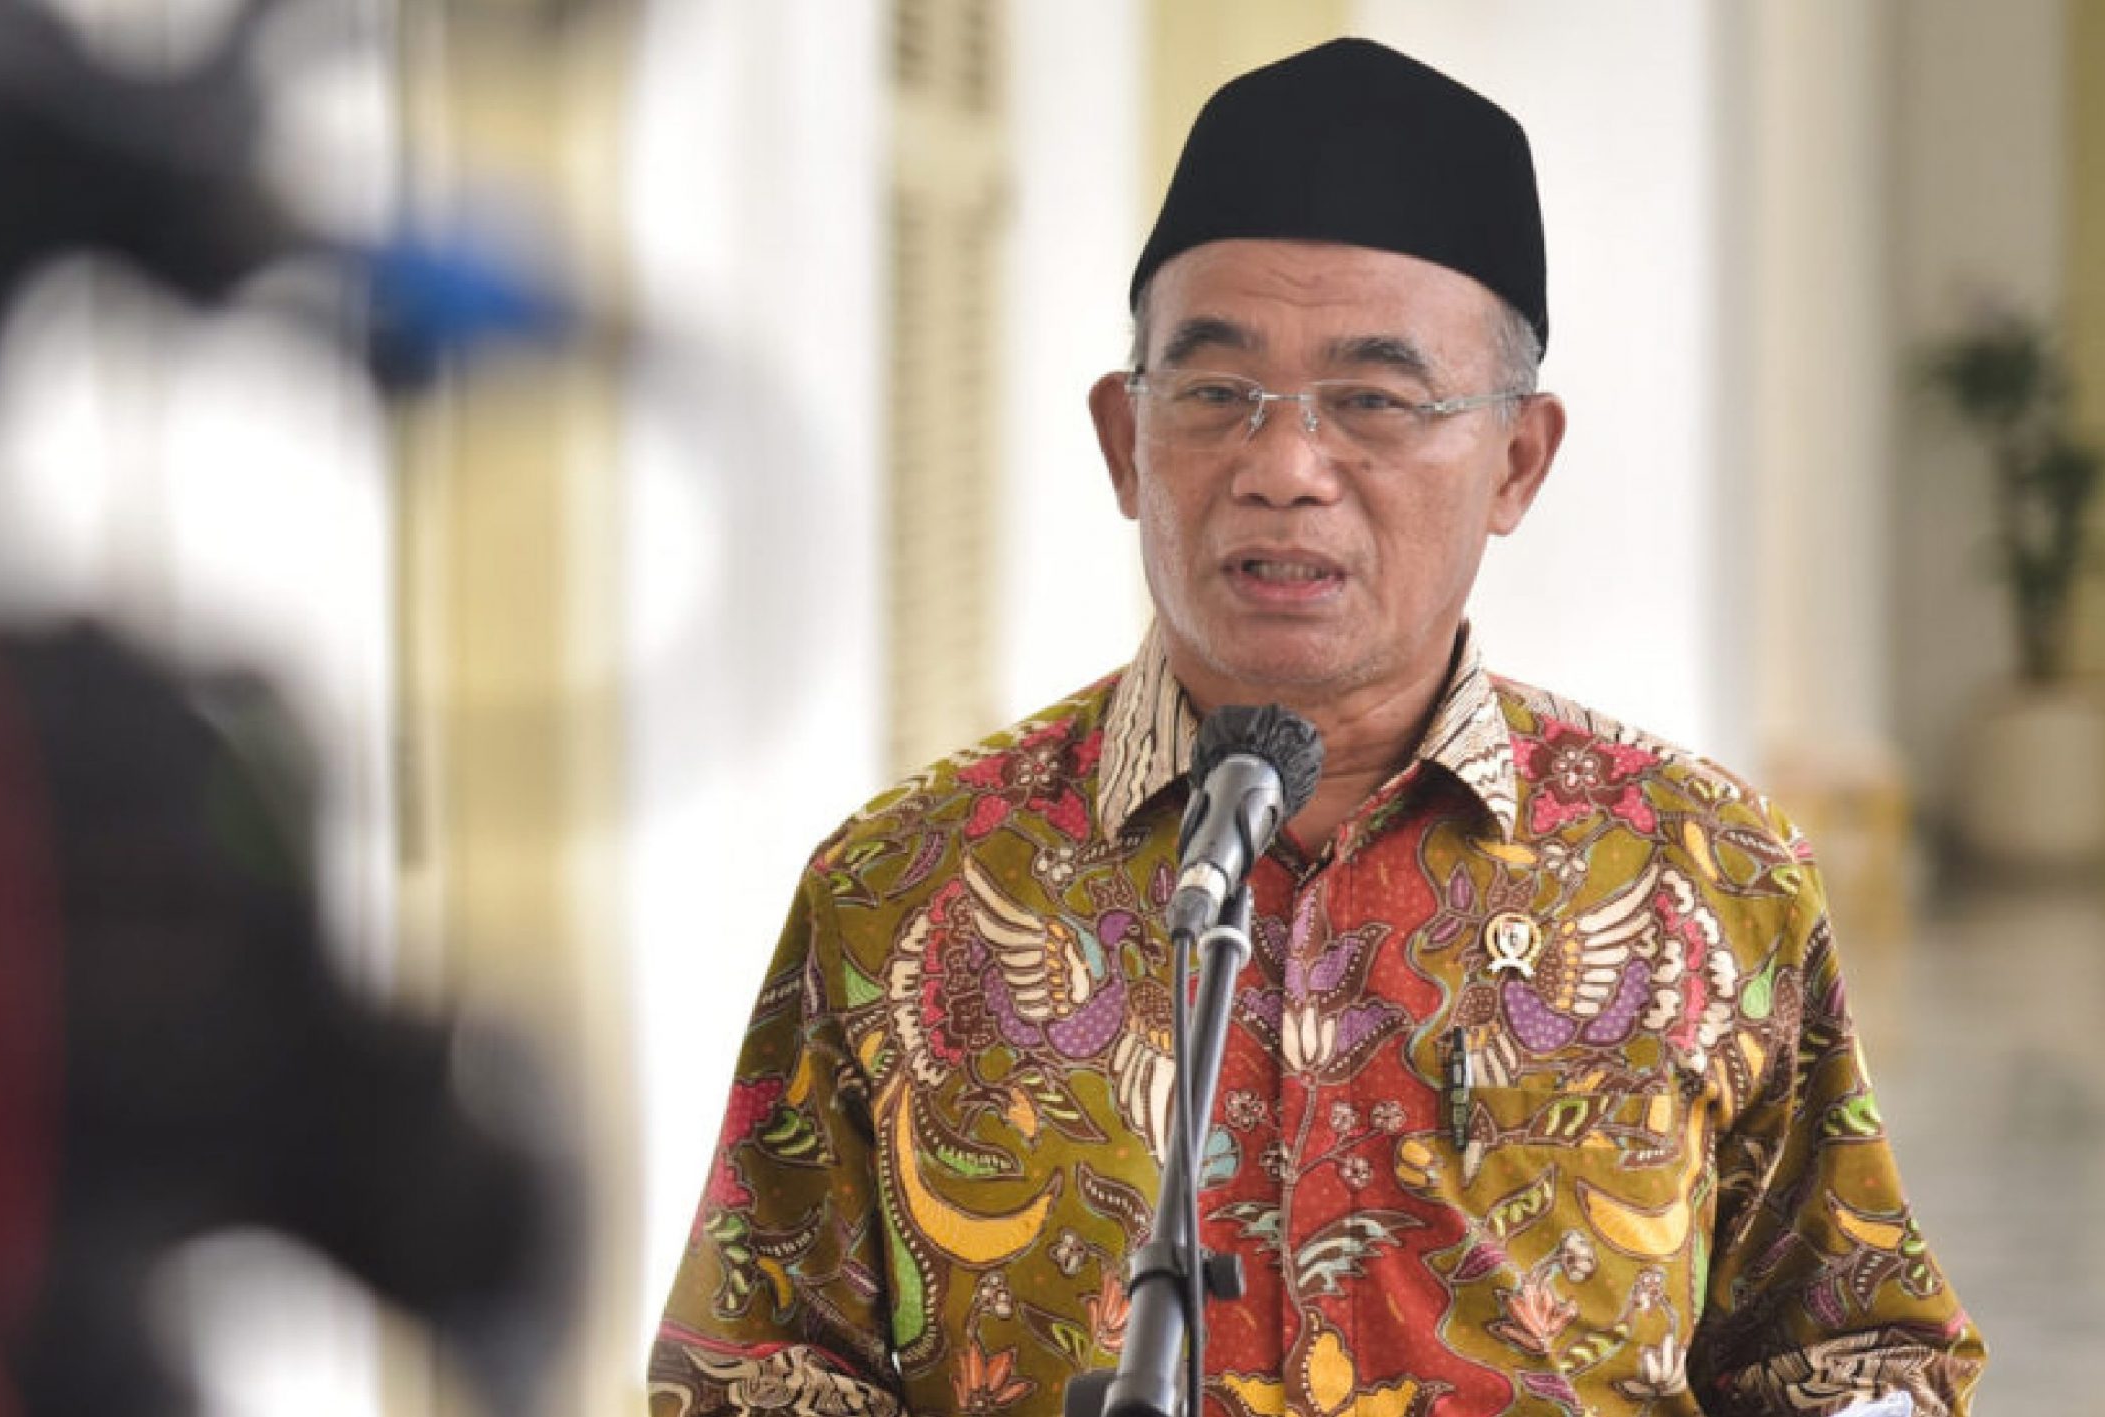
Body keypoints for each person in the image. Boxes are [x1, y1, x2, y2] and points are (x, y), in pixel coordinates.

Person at [649, 37, 1983, 1417]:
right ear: (1125, 442)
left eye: (1375, 403)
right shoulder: (905, 886)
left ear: (1518, 461)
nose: (1284, 468)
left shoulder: (1703, 874)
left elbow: (1856, 1352)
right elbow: (754, 1371)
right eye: (1216, 394)